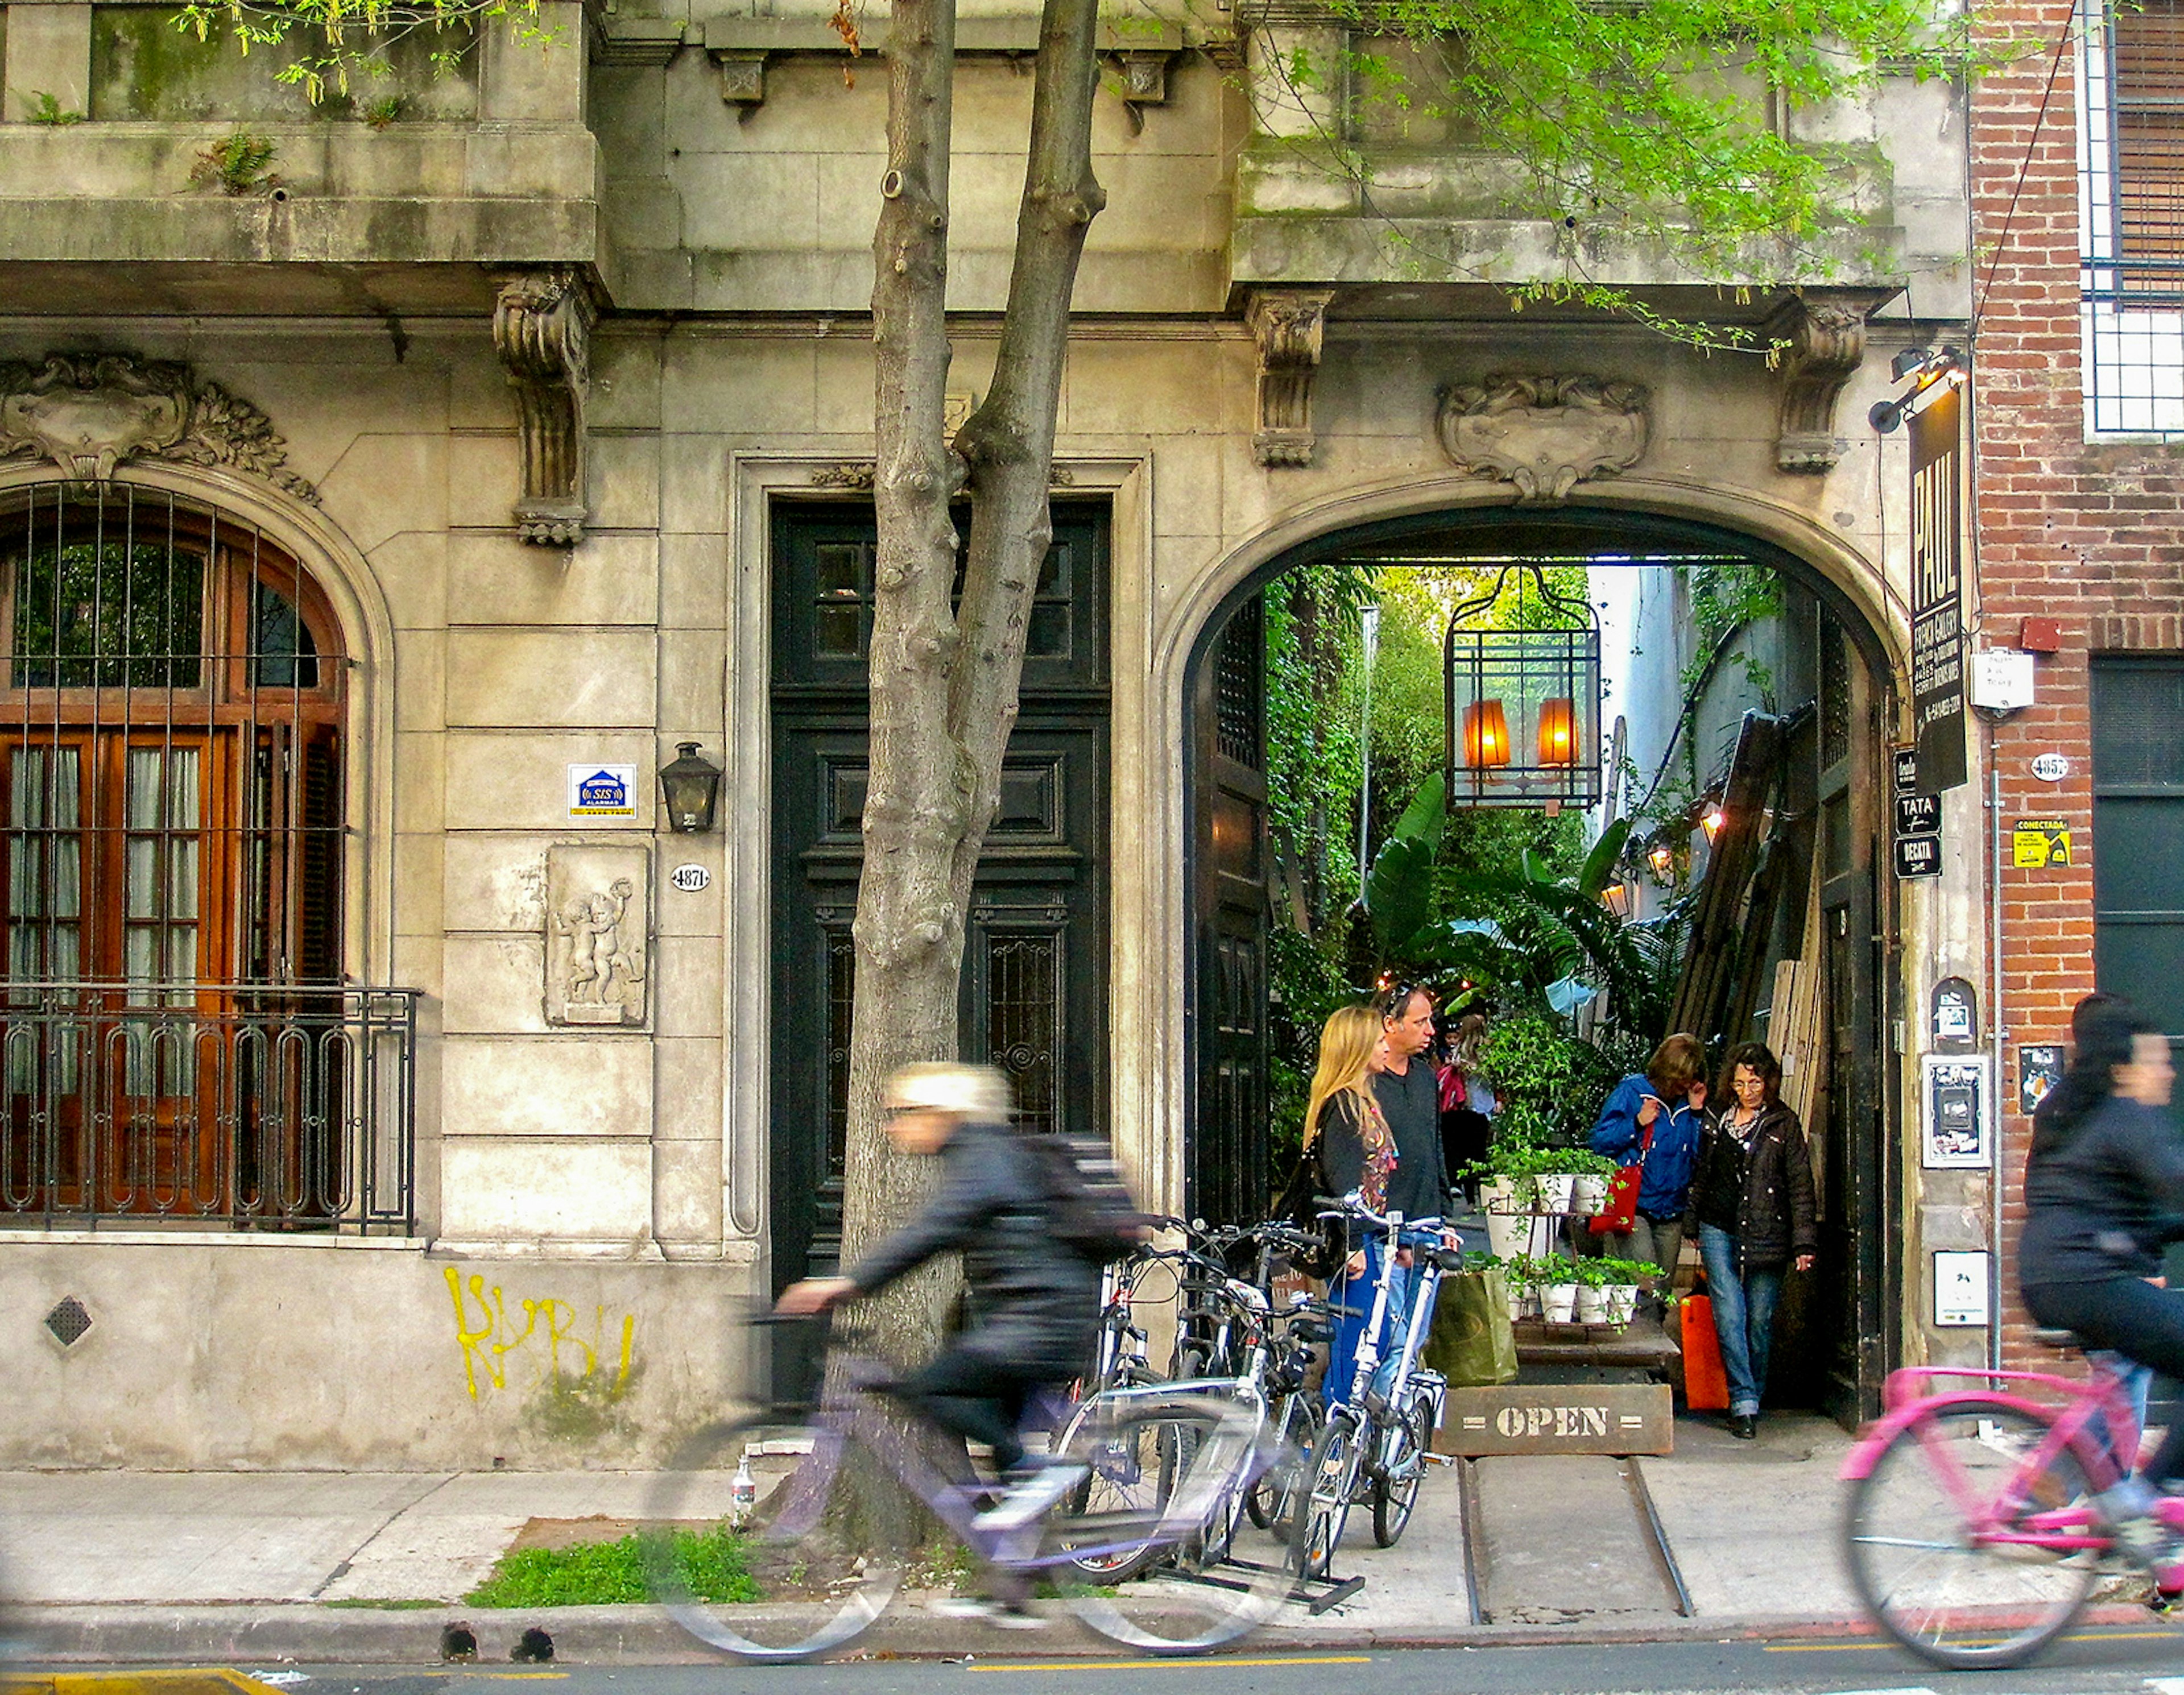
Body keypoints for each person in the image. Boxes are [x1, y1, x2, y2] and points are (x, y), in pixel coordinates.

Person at [776, 1060, 1099, 1621]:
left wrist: (847, 1283)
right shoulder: (984, 1153)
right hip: (1035, 1317)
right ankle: (1010, 1581)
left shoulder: (980, 1158)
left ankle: (1042, 1481)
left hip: (1039, 1322)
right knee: (1004, 1444)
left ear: (941, 1114)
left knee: (933, 1390)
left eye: (905, 1114)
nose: (894, 1127)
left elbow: (930, 1233)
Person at [2018, 997, 2184, 1572]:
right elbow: (2171, 1184)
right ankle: (2133, 1506)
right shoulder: (2121, 1111)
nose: (2168, 1070)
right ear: (2123, 1060)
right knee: (2123, 1390)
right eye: (2157, 1058)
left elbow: (2127, 1202)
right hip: (2090, 1273)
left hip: (2067, 1271)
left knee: (2119, 1393)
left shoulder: (2071, 1105)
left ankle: (2114, 1507)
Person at [1683, 1041, 1817, 1439]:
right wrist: (1693, 1222)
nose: (1747, 1090)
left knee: (1759, 1321)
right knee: (1729, 1313)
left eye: (1755, 1081)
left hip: (1767, 1230)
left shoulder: (1783, 1124)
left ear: (1768, 1081)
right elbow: (1702, 1173)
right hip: (1718, 1223)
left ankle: (1752, 1394)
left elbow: (1799, 1185)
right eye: (1741, 1082)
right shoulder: (1716, 1117)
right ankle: (1743, 1401)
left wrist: (1804, 1243)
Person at [1311, 1004, 1402, 1402]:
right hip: (1356, 1241)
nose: (1387, 1046)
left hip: (1369, 1236)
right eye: (1379, 1040)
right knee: (1357, 1342)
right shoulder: (1344, 1106)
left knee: (1369, 1339)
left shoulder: (1361, 1101)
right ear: (1358, 1046)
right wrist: (1350, 1243)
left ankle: (1341, 1436)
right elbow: (1343, 1179)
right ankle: (1333, 1445)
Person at [1589, 1033, 1709, 1299]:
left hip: (1672, 1210)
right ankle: (1639, 1337)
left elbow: (1702, 1158)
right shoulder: (1632, 1092)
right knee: (1645, 1284)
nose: (1683, 1086)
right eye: (1680, 1080)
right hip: (1634, 1205)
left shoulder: (1691, 1105)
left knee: (1662, 1292)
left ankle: (1650, 1335)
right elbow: (1599, 1141)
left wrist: (1698, 1114)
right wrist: (1636, 1123)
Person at [1437, 1012, 1496, 1208]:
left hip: (1465, 1104)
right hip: (1480, 1105)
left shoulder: (1465, 1050)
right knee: (1477, 1151)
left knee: (1465, 1150)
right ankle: (1475, 1196)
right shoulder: (1487, 1048)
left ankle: (1469, 1194)